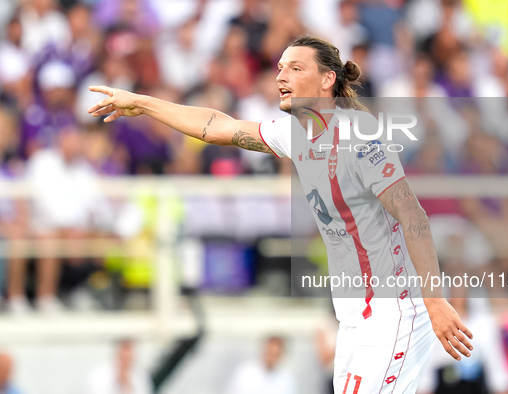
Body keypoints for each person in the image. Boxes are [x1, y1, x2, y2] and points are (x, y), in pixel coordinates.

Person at [88, 35, 473, 393]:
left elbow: (413, 216)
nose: (280, 76)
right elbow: (219, 127)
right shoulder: (295, 134)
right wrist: (142, 103)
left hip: (395, 311)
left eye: (295, 68)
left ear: (327, 79)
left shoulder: (358, 138)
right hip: (356, 318)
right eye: (279, 68)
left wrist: (434, 300)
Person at [224, 335, 297, 394]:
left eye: (276, 354)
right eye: (270, 352)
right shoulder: (246, 373)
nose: (272, 357)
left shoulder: (286, 377)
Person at [84, 339, 153, 394]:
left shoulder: (141, 377)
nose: (126, 363)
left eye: (129, 359)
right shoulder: (98, 376)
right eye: (123, 358)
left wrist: (127, 386)